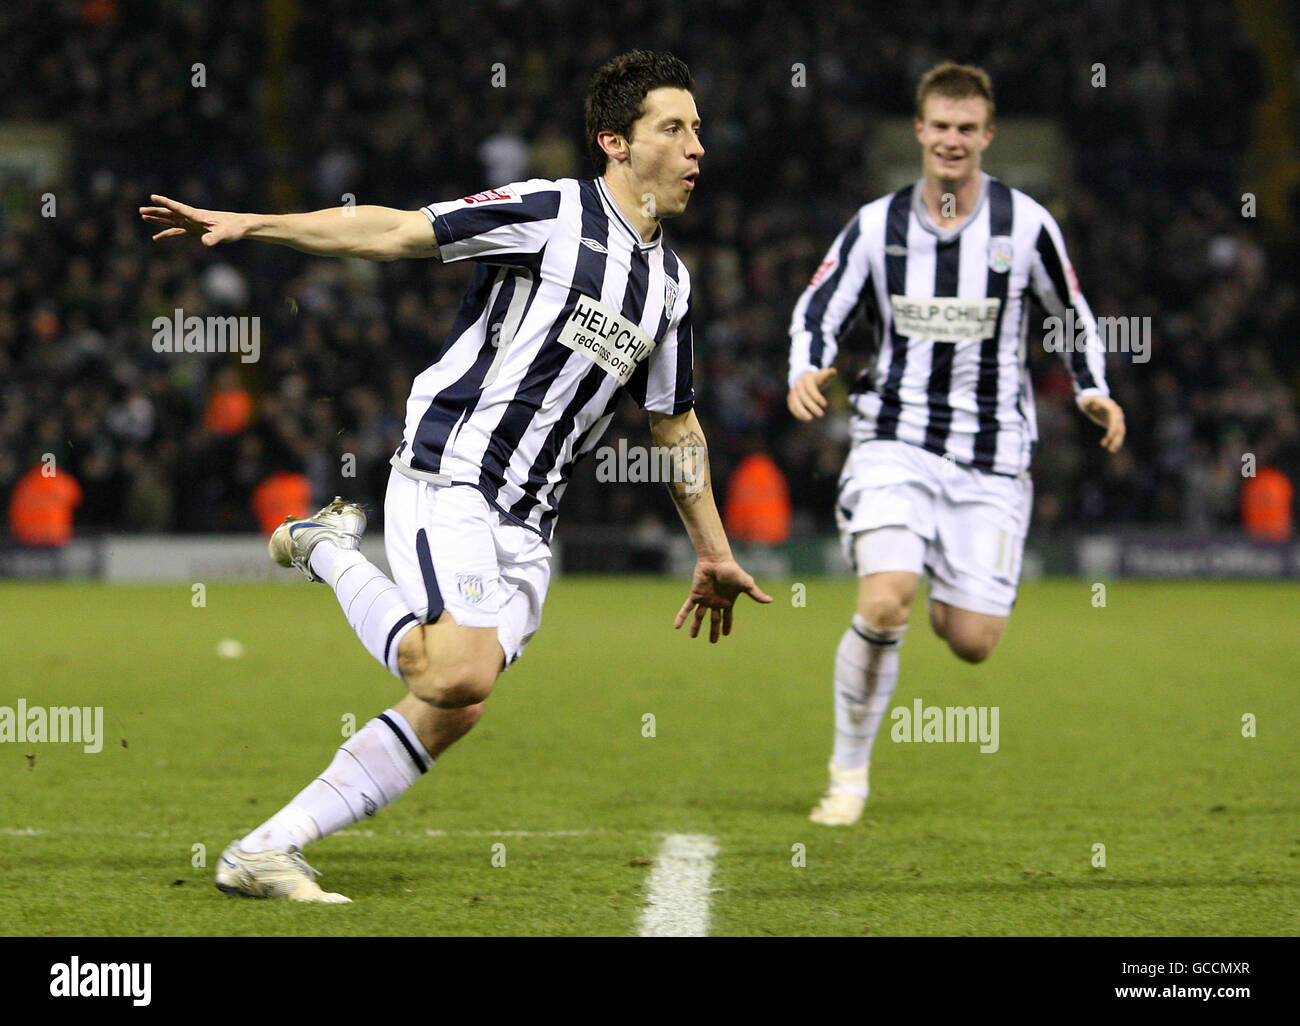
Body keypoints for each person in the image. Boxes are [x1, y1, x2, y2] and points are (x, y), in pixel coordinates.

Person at [141, 49, 771, 902]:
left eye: (699, 129)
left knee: (454, 705)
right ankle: (327, 550)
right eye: (674, 128)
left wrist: (714, 550)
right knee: (458, 673)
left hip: (530, 523)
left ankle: (264, 849)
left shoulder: (671, 284)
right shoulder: (552, 211)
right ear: (614, 142)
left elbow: (673, 422)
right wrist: (256, 223)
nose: (698, 147)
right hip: (456, 473)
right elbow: (398, 229)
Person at [787, 62, 1126, 826]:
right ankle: (848, 776)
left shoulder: (1026, 224)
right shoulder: (876, 226)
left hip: (992, 453)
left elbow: (1068, 310)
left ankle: (936, 567)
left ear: (988, 136)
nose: (951, 140)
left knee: (972, 642)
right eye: (939, 126)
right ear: (919, 130)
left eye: (966, 129)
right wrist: (807, 366)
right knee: (884, 601)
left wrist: (1092, 388)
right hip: (894, 438)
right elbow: (818, 304)